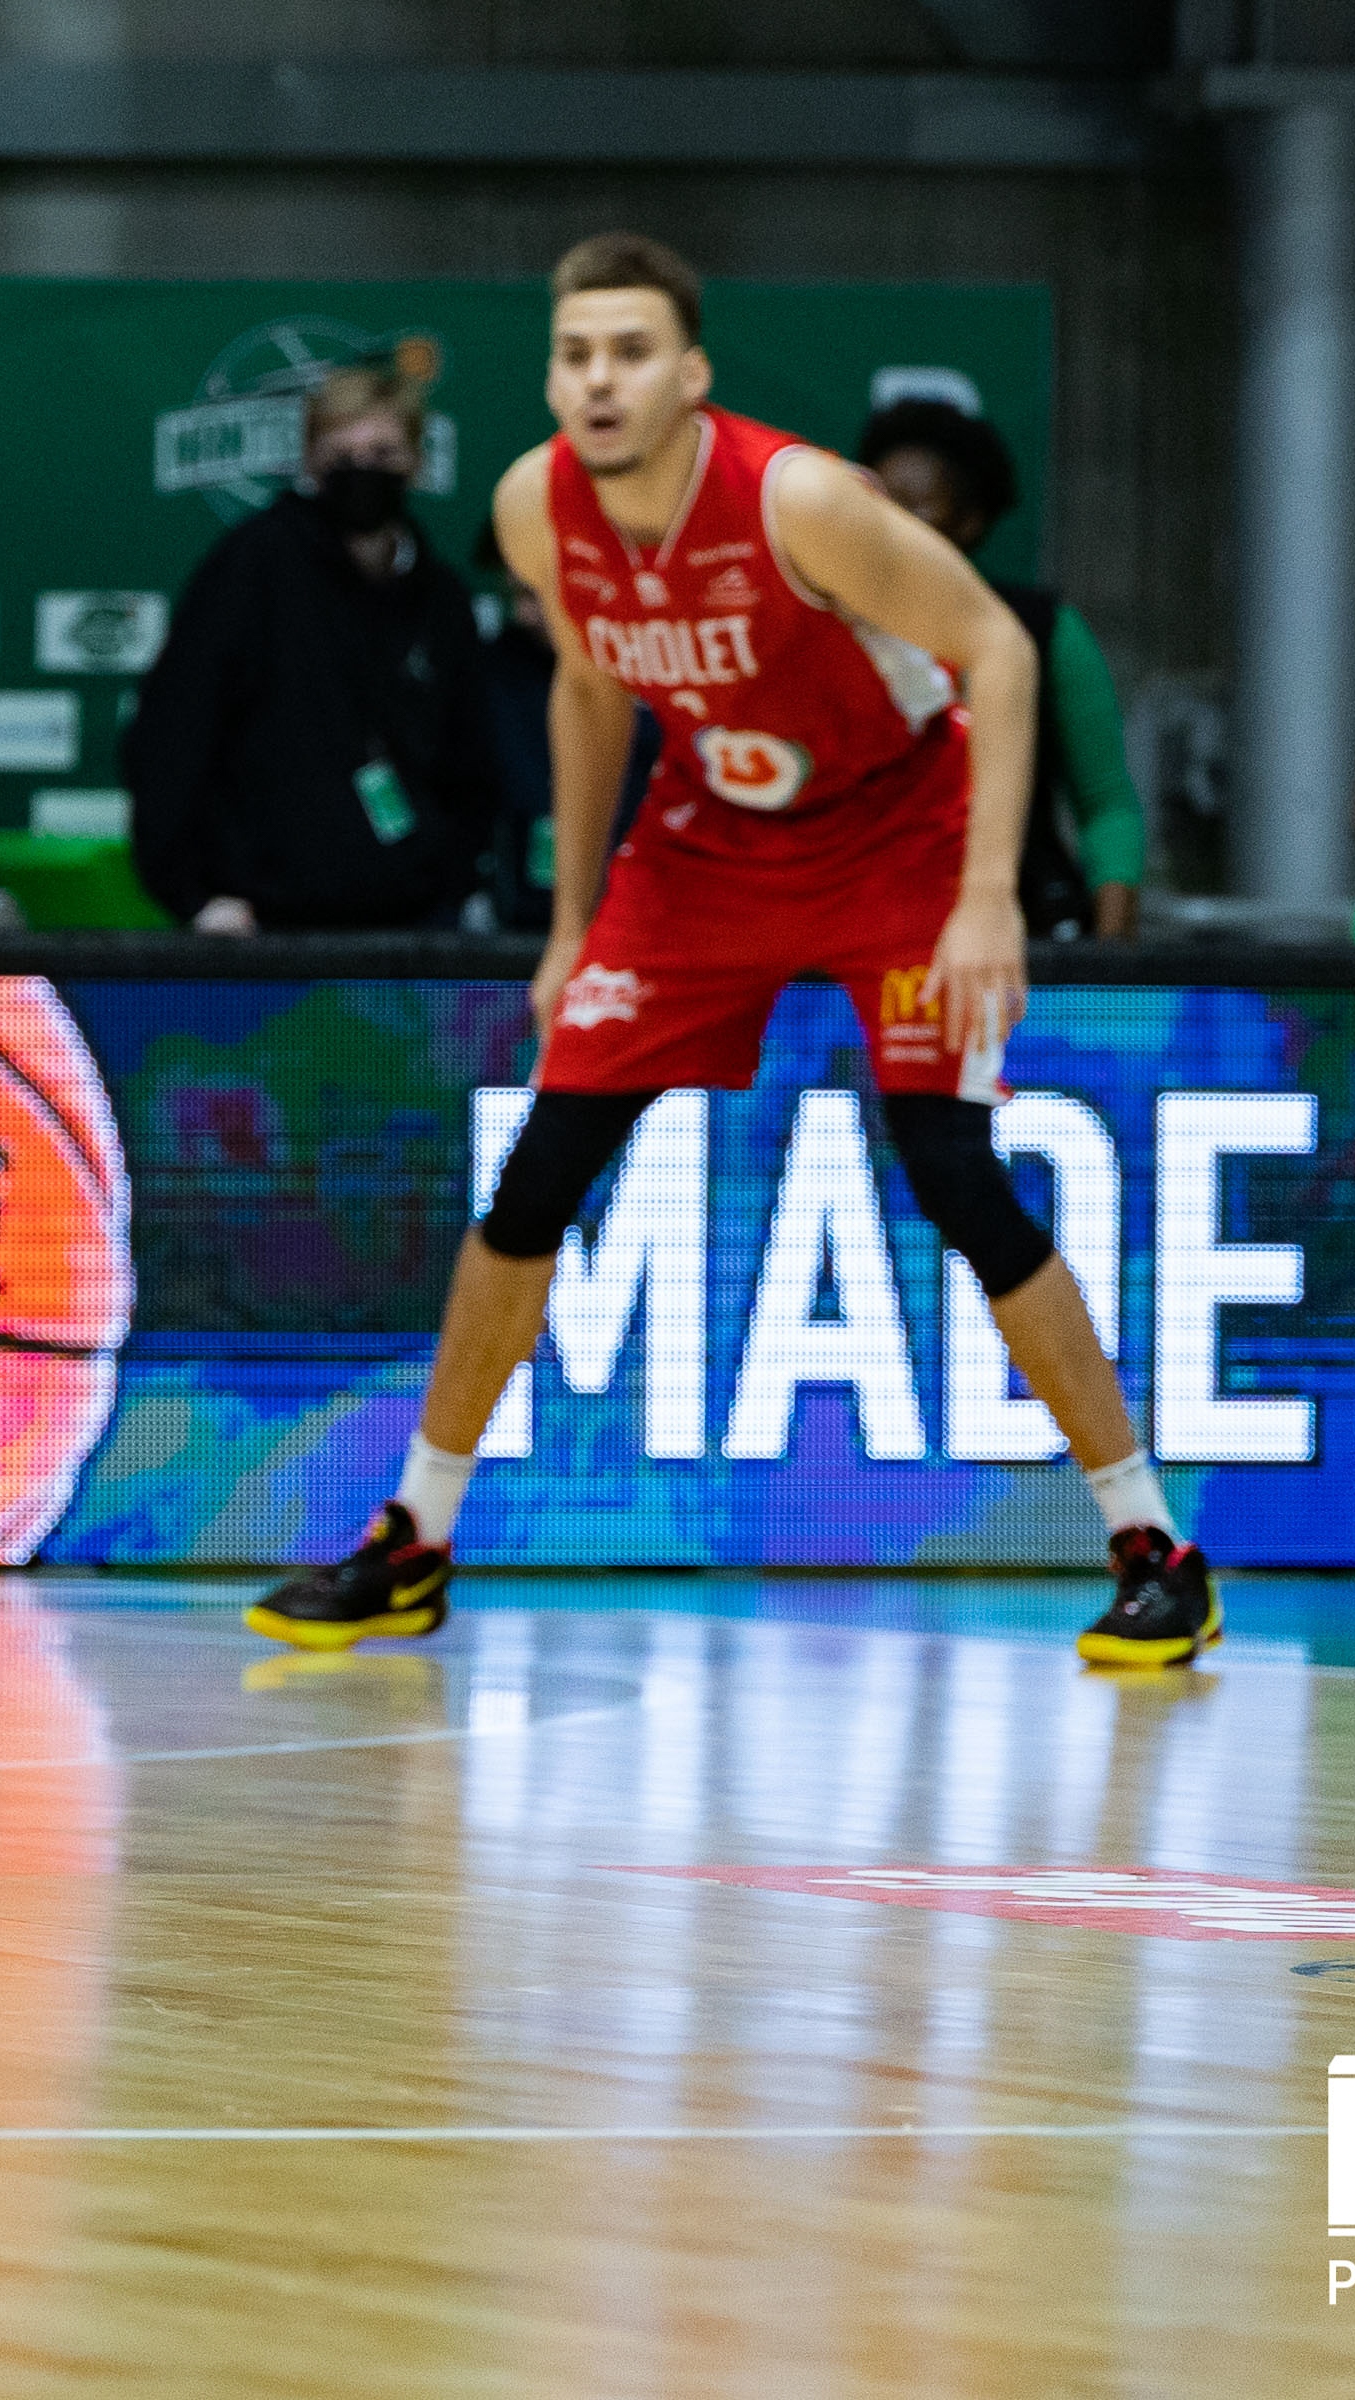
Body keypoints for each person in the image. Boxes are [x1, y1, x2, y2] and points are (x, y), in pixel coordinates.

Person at [244, 233, 1222, 1671]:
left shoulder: (800, 500)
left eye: (631, 352)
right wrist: (574, 920)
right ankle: (414, 1539)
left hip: (898, 831)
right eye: (576, 353)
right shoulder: (535, 505)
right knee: (539, 1172)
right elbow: (587, 690)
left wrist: (989, 894)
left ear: (690, 375)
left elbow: (998, 655)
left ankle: (1154, 1545)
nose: (600, 379)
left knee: (953, 1171)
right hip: (708, 843)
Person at [121, 353, 500, 935]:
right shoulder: (250, 570)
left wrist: (449, 881)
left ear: (419, 463)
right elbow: (170, 733)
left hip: (411, 935)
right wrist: (194, 896)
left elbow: (473, 762)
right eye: (342, 457)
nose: (362, 472)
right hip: (265, 929)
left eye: (382, 456)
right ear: (308, 462)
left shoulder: (441, 599)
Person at [859, 397, 1141, 941]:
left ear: (972, 520)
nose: (890, 524)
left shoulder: (1043, 630)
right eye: (879, 503)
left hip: (1026, 936)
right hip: (867, 938)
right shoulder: (830, 628)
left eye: (916, 505)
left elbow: (1107, 804)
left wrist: (1110, 962)